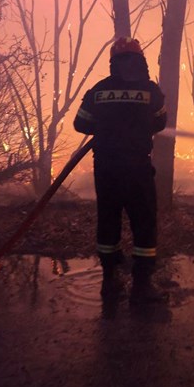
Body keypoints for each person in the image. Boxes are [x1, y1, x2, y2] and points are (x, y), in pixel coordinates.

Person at [74, 37, 168, 303]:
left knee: (108, 219)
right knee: (144, 222)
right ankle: (142, 284)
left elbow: (80, 124)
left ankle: (109, 278)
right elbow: (161, 122)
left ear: (113, 62)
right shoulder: (151, 91)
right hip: (137, 169)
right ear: (141, 61)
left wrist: (106, 126)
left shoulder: (99, 91)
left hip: (106, 169)